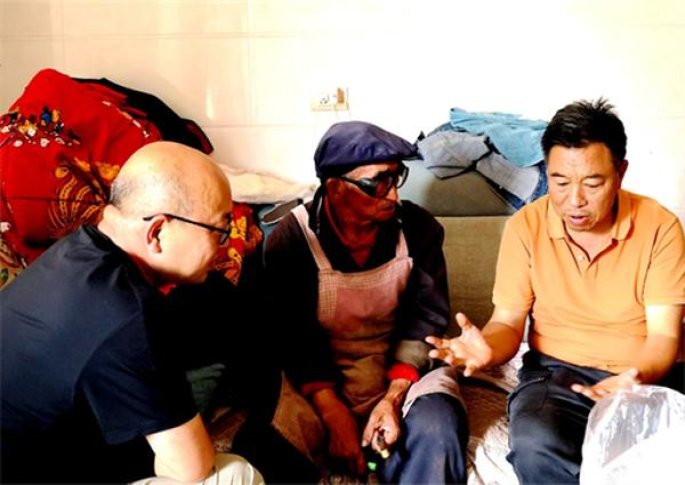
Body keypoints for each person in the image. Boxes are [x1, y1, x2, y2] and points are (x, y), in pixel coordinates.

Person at [427, 98, 685, 484]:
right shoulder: (525, 227)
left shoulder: (659, 227)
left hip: (643, 372)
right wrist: (487, 349)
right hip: (560, 372)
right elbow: (508, 322)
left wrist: (636, 376)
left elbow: (664, 335)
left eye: (593, 183)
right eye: (560, 182)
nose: (574, 200)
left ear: (621, 173)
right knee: (535, 443)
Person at [1, 141, 263, 484]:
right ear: (158, 231)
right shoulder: (127, 317)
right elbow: (190, 470)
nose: (224, 245)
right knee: (233, 475)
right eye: (220, 231)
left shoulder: (74, 251)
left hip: (45, 444)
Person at [264, 121, 469, 483]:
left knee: (438, 426)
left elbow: (426, 321)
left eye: (396, 178)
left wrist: (392, 397)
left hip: (400, 371)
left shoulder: (417, 229)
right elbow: (294, 337)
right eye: (378, 183)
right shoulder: (293, 238)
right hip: (317, 379)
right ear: (335, 188)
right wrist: (332, 412)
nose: (393, 196)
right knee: (273, 438)